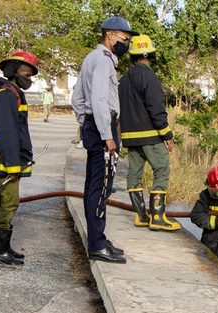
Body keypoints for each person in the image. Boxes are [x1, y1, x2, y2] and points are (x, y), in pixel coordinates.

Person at [71, 16, 139, 264]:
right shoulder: (103, 61)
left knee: (94, 186)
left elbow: (78, 98)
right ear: (110, 34)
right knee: (101, 189)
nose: (126, 44)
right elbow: (99, 100)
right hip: (104, 130)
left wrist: (85, 122)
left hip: (95, 127)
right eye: (124, 39)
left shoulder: (91, 58)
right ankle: (97, 245)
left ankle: (97, 239)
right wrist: (106, 135)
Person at [118, 34, 180, 231]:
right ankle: (158, 218)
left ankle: (141, 216)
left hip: (129, 137)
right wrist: (167, 135)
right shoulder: (150, 77)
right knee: (161, 170)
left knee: (134, 174)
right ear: (151, 55)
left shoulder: (124, 79)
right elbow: (156, 109)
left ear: (132, 56)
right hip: (150, 136)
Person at [0, 51, 40, 265]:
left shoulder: (12, 92)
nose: (30, 77)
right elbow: (7, 132)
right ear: (14, 70)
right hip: (5, 161)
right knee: (8, 202)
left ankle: (3, 246)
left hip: (5, 159)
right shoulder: (7, 94)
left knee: (2, 203)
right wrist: (12, 165)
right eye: (27, 72)